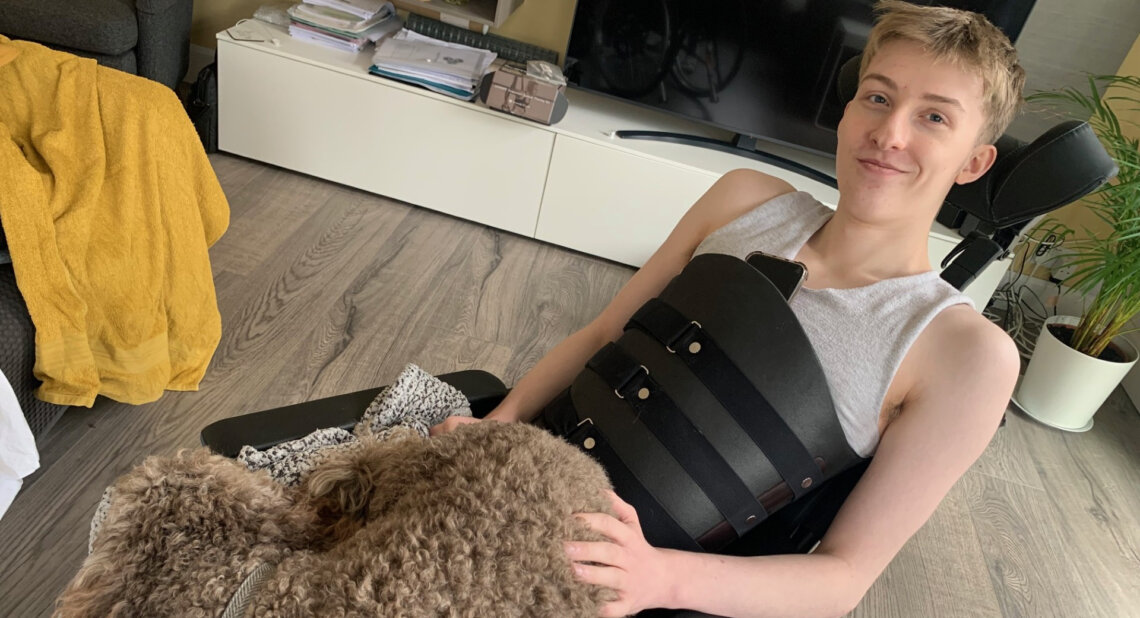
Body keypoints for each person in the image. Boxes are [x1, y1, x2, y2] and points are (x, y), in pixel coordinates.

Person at [432, 1, 1026, 615]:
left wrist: (659, 579)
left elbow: (843, 576)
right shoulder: (743, 200)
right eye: (877, 98)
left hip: (617, 584)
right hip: (516, 471)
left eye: (933, 117)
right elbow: (607, 331)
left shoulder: (963, 354)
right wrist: (497, 424)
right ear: (847, 112)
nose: (891, 134)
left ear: (974, 161)